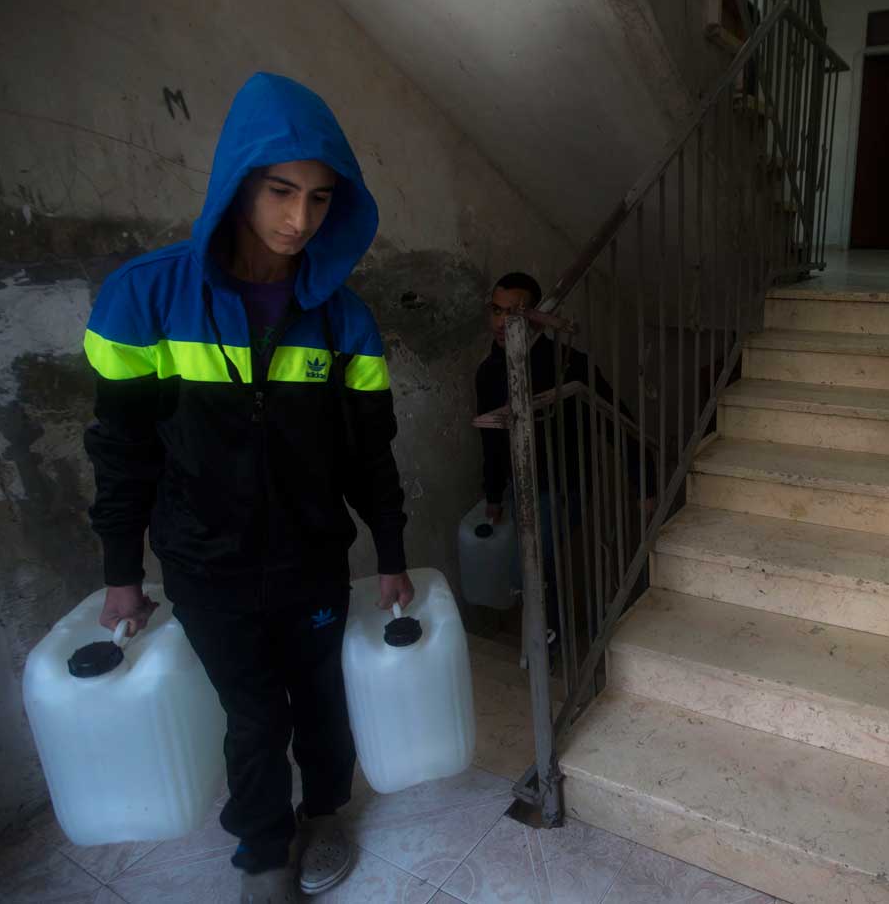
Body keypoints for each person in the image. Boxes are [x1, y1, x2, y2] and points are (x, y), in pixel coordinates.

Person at [82, 72, 412, 903]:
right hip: (204, 562)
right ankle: (264, 852)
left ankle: (327, 810)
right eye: (279, 190)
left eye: (320, 198)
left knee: (321, 700)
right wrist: (122, 570)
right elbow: (121, 448)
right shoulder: (143, 298)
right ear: (238, 180)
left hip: (309, 557)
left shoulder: (345, 319)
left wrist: (392, 554)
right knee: (254, 715)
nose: (299, 220)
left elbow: (372, 452)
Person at [474, 273, 653, 651]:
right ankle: (545, 636)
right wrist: (492, 496)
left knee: (536, 559)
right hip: (517, 486)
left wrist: (645, 482)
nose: (502, 321)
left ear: (536, 316)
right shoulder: (489, 371)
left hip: (564, 482)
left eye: (514, 312)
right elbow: (490, 440)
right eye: (496, 310)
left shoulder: (566, 363)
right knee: (529, 561)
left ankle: (548, 643)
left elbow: (617, 420)